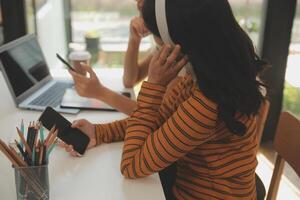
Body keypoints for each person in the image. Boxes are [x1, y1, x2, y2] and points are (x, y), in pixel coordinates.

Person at [63, 0, 268, 199]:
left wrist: (155, 85)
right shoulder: (208, 78)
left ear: (179, 43)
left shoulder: (206, 105)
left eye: (157, 38)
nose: (158, 47)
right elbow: (159, 120)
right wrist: (99, 132)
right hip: (192, 183)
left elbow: (131, 165)